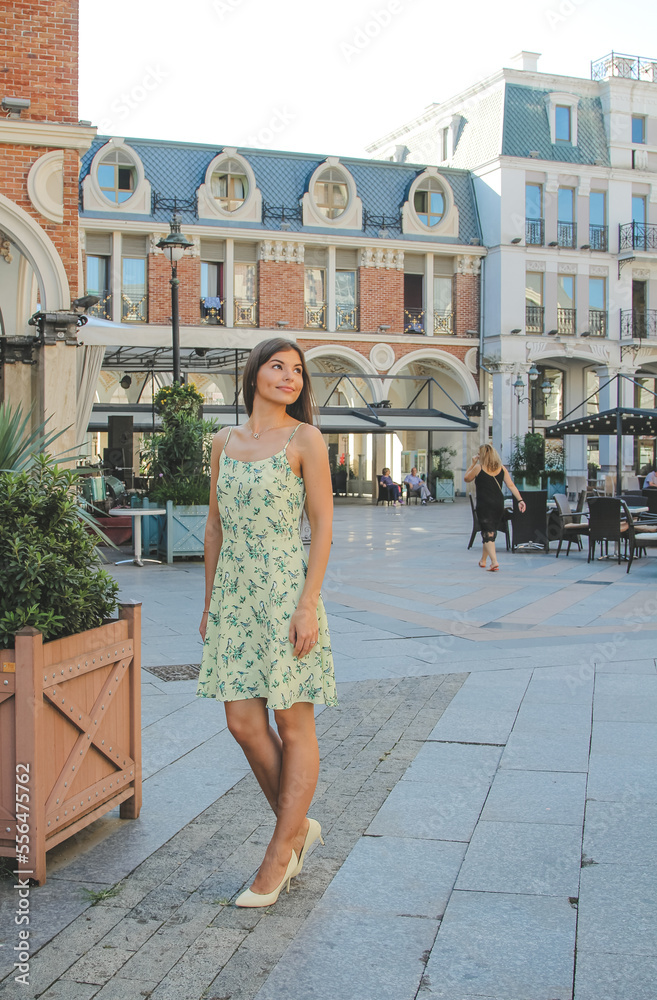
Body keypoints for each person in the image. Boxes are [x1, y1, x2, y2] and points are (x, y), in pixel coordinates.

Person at [196, 337, 337, 908]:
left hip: (285, 594)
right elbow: (213, 527)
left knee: (292, 721)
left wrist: (308, 604)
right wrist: (209, 604)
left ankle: (279, 854)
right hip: (233, 598)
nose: (289, 376)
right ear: (254, 373)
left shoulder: (306, 439)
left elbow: (323, 526)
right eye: (278, 366)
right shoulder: (222, 442)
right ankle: (299, 827)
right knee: (242, 722)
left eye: (298, 370)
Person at [464, 444, 526, 571]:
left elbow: (466, 478)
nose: (478, 455)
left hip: (484, 504)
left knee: (487, 532)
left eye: (479, 454)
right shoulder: (501, 468)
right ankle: (483, 560)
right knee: (490, 531)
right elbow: (511, 485)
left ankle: (494, 561)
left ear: (483, 455)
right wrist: (520, 499)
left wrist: (472, 463)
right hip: (498, 504)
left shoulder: (478, 468)